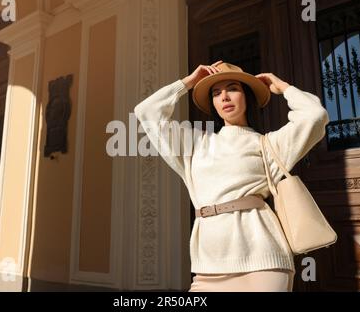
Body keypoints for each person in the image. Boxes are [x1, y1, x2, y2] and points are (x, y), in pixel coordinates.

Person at [133, 61, 330, 292]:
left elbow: (315, 115)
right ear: (213, 103)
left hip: (264, 261)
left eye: (233, 89)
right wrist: (189, 82)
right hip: (208, 268)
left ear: (247, 96)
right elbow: (146, 112)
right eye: (216, 93)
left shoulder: (269, 144)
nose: (224, 97)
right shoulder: (194, 144)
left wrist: (283, 86)